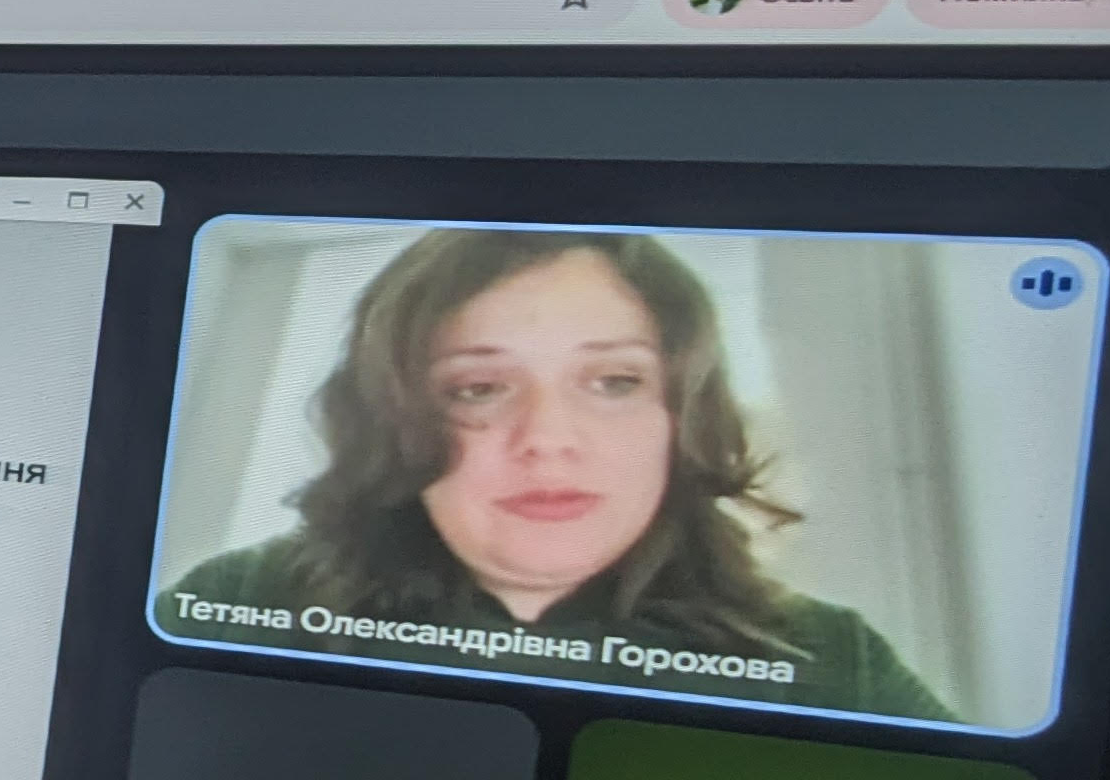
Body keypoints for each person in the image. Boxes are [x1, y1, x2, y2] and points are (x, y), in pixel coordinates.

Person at [163, 227, 953, 720]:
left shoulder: (833, 662)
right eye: (478, 388)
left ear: (680, 417)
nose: (547, 441)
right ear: (396, 418)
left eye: (613, 381)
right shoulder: (240, 602)